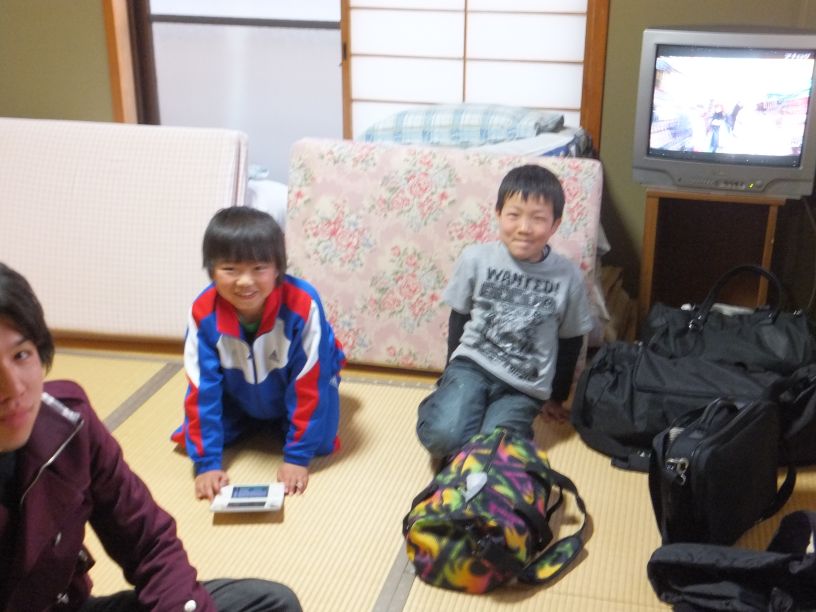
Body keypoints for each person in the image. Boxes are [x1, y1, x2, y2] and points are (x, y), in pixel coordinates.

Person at [0, 262, 301, 611]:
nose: (14, 388)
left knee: (271, 604)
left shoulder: (68, 423)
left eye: (21, 355)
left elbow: (149, 542)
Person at [416, 164, 593, 460]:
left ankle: (491, 438)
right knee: (444, 436)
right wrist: (449, 374)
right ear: (498, 214)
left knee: (492, 453)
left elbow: (571, 340)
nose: (524, 228)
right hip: (472, 366)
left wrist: (557, 396)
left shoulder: (568, 277)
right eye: (514, 215)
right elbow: (459, 318)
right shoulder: (475, 259)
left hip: (524, 386)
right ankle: (443, 404)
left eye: (538, 218)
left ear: (555, 224)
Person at [172, 207, 345, 501]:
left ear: (278, 268)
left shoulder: (303, 304)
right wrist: (207, 464)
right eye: (230, 269)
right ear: (211, 270)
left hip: (298, 383)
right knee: (197, 438)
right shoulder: (203, 312)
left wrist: (297, 457)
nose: (244, 281)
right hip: (239, 390)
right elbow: (202, 389)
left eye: (258, 268)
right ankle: (258, 420)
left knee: (320, 444)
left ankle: (279, 425)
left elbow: (310, 381)